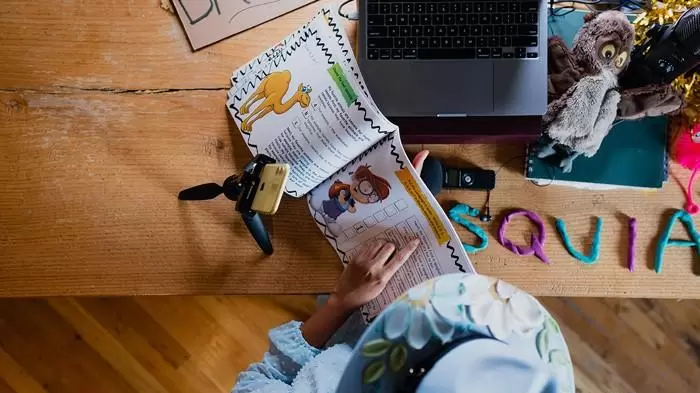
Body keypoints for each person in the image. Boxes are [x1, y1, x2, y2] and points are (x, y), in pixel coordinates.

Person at [233, 152, 575, 392]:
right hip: (355, 310)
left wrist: (340, 303)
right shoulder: (504, 371)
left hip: (351, 314)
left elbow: (264, 376)